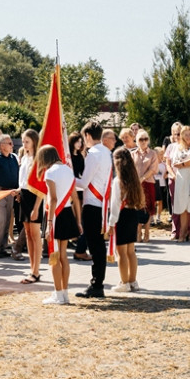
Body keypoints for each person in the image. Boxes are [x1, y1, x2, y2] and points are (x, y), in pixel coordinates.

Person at [75, 120, 113, 298]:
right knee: (98, 246)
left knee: (95, 246)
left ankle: (96, 284)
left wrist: (68, 177)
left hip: (92, 204)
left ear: (88, 136)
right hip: (102, 203)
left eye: (84, 138)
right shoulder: (106, 152)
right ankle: (98, 282)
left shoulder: (93, 154)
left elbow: (83, 183)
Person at [41, 145, 81, 305]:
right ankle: (64, 292)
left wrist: (49, 223)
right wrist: (78, 221)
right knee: (63, 256)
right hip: (67, 214)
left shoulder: (50, 172)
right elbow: (75, 198)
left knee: (54, 257)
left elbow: (53, 199)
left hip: (55, 216)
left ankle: (58, 294)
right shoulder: (68, 170)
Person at [107, 147, 146, 292]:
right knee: (131, 251)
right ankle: (133, 281)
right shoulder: (134, 179)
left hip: (121, 216)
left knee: (121, 252)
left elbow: (115, 204)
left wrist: (111, 223)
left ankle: (124, 283)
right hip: (132, 214)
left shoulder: (118, 181)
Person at [17, 129, 44, 284]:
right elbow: (23, 181)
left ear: (34, 141)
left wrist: (36, 207)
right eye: (23, 141)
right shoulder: (24, 156)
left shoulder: (38, 159)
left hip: (35, 197)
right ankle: (32, 269)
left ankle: (36, 271)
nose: (24, 144)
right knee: (27, 233)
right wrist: (18, 190)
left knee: (35, 233)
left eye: (26, 141)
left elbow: (41, 185)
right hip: (25, 195)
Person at [169, 125, 190, 242]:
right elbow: (174, 162)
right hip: (181, 179)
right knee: (182, 207)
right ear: (181, 136)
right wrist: (184, 163)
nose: (188, 137)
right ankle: (183, 232)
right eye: (185, 134)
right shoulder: (178, 147)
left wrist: (183, 164)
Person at [68, 132, 91, 261]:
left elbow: (82, 173)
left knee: (81, 217)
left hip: (80, 188)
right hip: (71, 190)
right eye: (77, 141)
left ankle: (78, 239)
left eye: (81, 141)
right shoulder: (68, 157)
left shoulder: (81, 157)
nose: (80, 144)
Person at [132, 130, 158, 243]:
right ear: (136, 141)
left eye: (145, 139)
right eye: (141, 139)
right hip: (135, 185)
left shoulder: (153, 153)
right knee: (137, 207)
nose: (143, 141)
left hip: (148, 183)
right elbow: (130, 169)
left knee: (148, 208)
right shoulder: (132, 154)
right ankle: (138, 232)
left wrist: (142, 178)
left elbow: (153, 169)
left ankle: (147, 231)